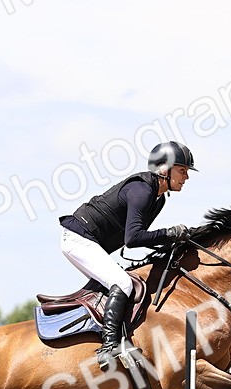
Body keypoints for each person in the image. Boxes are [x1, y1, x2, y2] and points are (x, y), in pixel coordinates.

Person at [59, 141, 198, 364]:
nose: (186, 177)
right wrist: (170, 233)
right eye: (182, 171)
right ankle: (108, 348)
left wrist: (176, 241)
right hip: (78, 239)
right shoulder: (142, 190)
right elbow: (133, 239)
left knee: (125, 280)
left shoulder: (158, 198)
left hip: (90, 242)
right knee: (123, 284)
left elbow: (142, 237)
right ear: (164, 169)